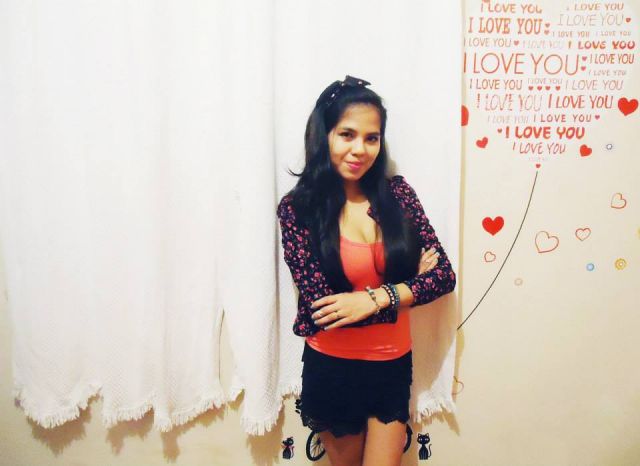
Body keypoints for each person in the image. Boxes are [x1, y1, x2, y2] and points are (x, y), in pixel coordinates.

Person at [276, 75, 456, 466]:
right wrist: (409, 287)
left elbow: (443, 276)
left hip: (392, 364)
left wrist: (374, 298)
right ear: (323, 135)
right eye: (347, 134)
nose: (360, 149)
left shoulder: (399, 195)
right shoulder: (298, 210)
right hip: (331, 367)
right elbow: (323, 310)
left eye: (371, 138)